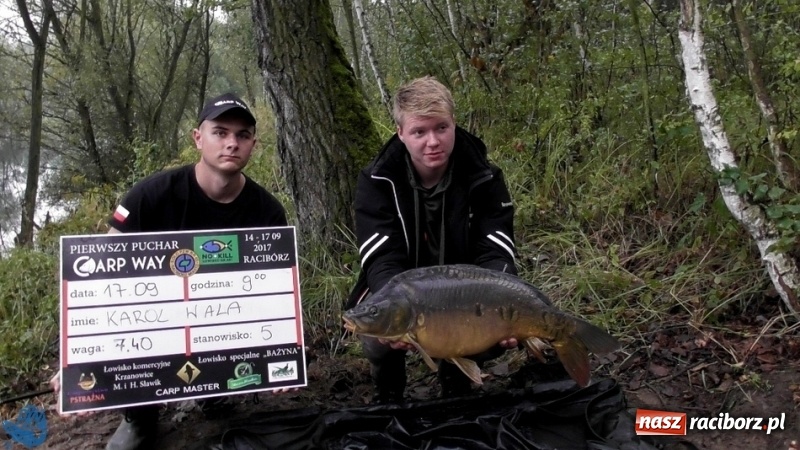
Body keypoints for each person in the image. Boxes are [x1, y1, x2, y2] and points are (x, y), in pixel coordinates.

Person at [50, 93, 289, 450]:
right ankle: (140, 415)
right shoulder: (150, 195)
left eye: (242, 135)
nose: (231, 143)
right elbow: (96, 276)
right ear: (198, 138)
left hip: (219, 317)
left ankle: (215, 390)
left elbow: (276, 298)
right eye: (220, 132)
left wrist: (283, 353)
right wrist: (75, 358)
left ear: (253, 143)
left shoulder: (268, 212)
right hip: (154, 316)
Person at [346, 76, 519, 403]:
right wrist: (396, 311)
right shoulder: (377, 180)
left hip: (465, 292)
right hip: (403, 288)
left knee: (501, 327)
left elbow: (496, 252)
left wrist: (504, 303)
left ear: (454, 123)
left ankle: (456, 386)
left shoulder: (485, 176)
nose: (433, 141)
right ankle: (389, 394)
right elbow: (381, 259)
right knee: (377, 328)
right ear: (400, 133)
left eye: (441, 128)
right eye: (419, 132)